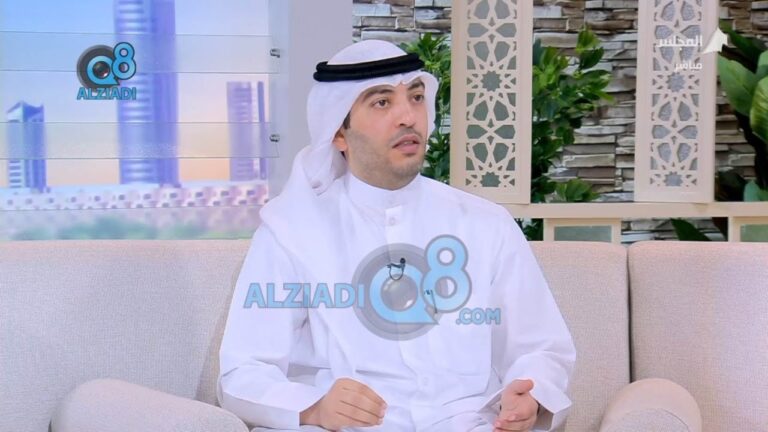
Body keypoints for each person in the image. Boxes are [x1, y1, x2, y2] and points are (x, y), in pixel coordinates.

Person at [217, 40, 576, 432]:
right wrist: (313, 407)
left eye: (416, 98)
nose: (408, 117)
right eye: (382, 102)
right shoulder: (291, 231)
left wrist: (530, 397)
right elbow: (243, 371)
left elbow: (539, 347)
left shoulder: (486, 224)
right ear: (339, 132)